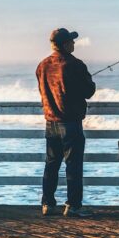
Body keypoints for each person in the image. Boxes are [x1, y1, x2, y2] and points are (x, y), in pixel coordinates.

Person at [36, 28, 96, 217]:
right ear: (64, 44)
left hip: (50, 123)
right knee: (73, 165)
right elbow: (88, 91)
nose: (74, 43)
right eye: (71, 41)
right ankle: (73, 205)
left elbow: (44, 91)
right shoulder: (74, 64)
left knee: (51, 164)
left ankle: (47, 204)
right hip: (70, 123)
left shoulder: (42, 65)